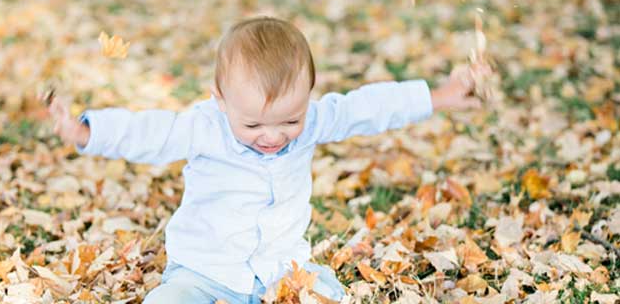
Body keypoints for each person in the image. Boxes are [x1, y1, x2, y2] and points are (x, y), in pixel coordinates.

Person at [46, 16, 489, 303]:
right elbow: (147, 133)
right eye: (254, 126)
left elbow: (367, 109)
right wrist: (86, 131)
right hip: (204, 272)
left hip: (282, 270)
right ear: (220, 99)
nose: (273, 136)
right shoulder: (204, 126)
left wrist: (440, 97)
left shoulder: (313, 121)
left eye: (289, 120)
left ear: (308, 99)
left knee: (327, 296)